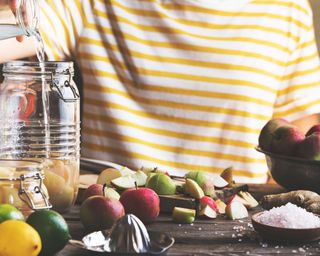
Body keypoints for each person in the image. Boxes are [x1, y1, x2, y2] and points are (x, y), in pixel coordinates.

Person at [1, 0, 320, 183]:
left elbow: (298, 145)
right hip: (103, 226)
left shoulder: (288, 9)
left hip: (235, 227)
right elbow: (16, 31)